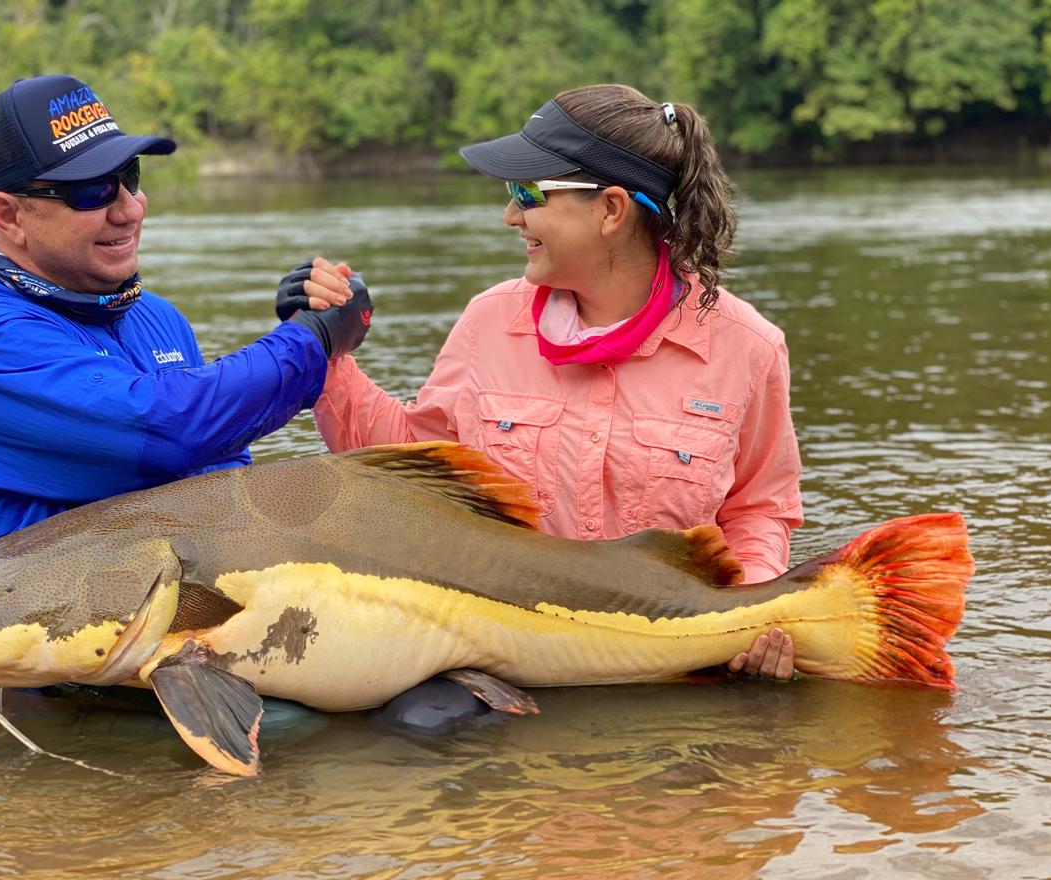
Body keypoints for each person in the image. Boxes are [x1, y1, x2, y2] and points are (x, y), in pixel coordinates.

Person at [289, 84, 802, 681]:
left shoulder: (749, 346)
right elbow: (413, 470)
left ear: (611, 210)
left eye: (526, 193)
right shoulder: (488, 321)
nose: (510, 216)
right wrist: (324, 348)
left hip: (674, 666)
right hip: (513, 657)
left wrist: (757, 613)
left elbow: (759, 509)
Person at [0, 74, 372, 555]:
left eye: (130, 177)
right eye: (92, 190)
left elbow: (223, 472)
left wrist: (302, 324)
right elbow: (170, 428)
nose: (130, 209)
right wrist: (306, 340)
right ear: (9, 216)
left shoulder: (157, 317)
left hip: (180, 611)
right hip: (51, 620)